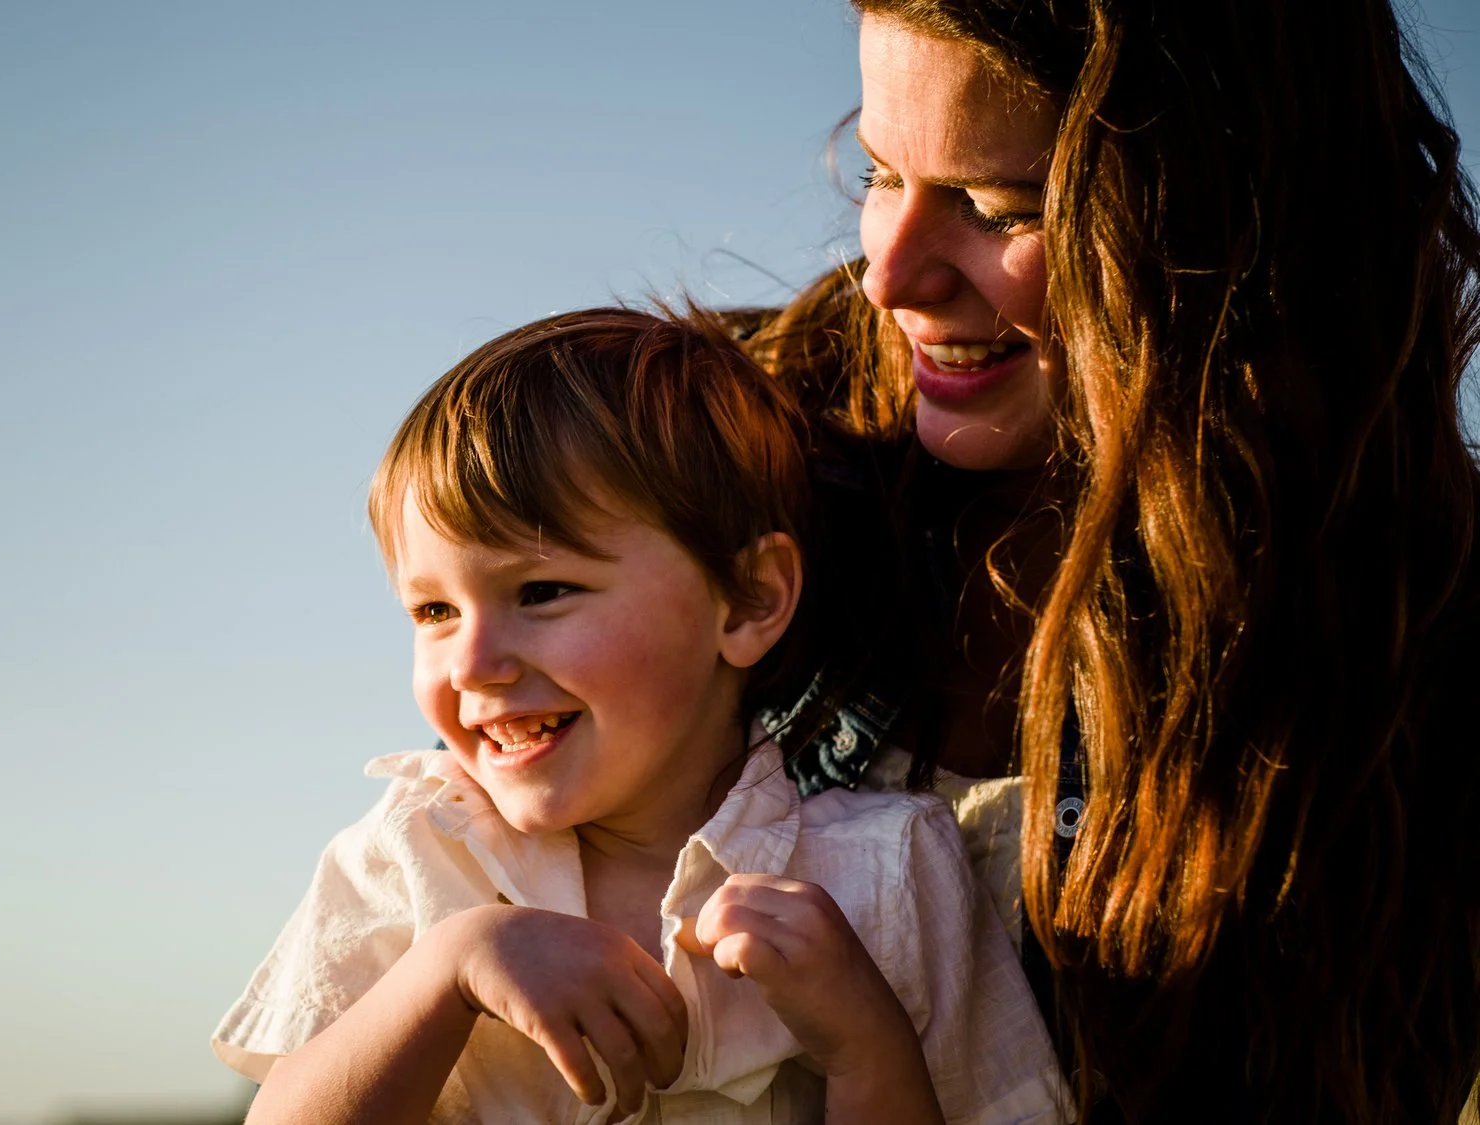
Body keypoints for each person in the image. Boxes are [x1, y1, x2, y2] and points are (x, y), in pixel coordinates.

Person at [739, 1, 1480, 1121]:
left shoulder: (1411, 655)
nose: (887, 278)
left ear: (1234, 221)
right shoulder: (725, 452)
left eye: (998, 209)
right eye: (879, 176)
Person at [210, 308, 1066, 1124]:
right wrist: (448, 969)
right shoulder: (418, 855)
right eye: (433, 612)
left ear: (746, 601)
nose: (471, 663)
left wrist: (867, 1047)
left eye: (541, 591)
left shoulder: (889, 872)